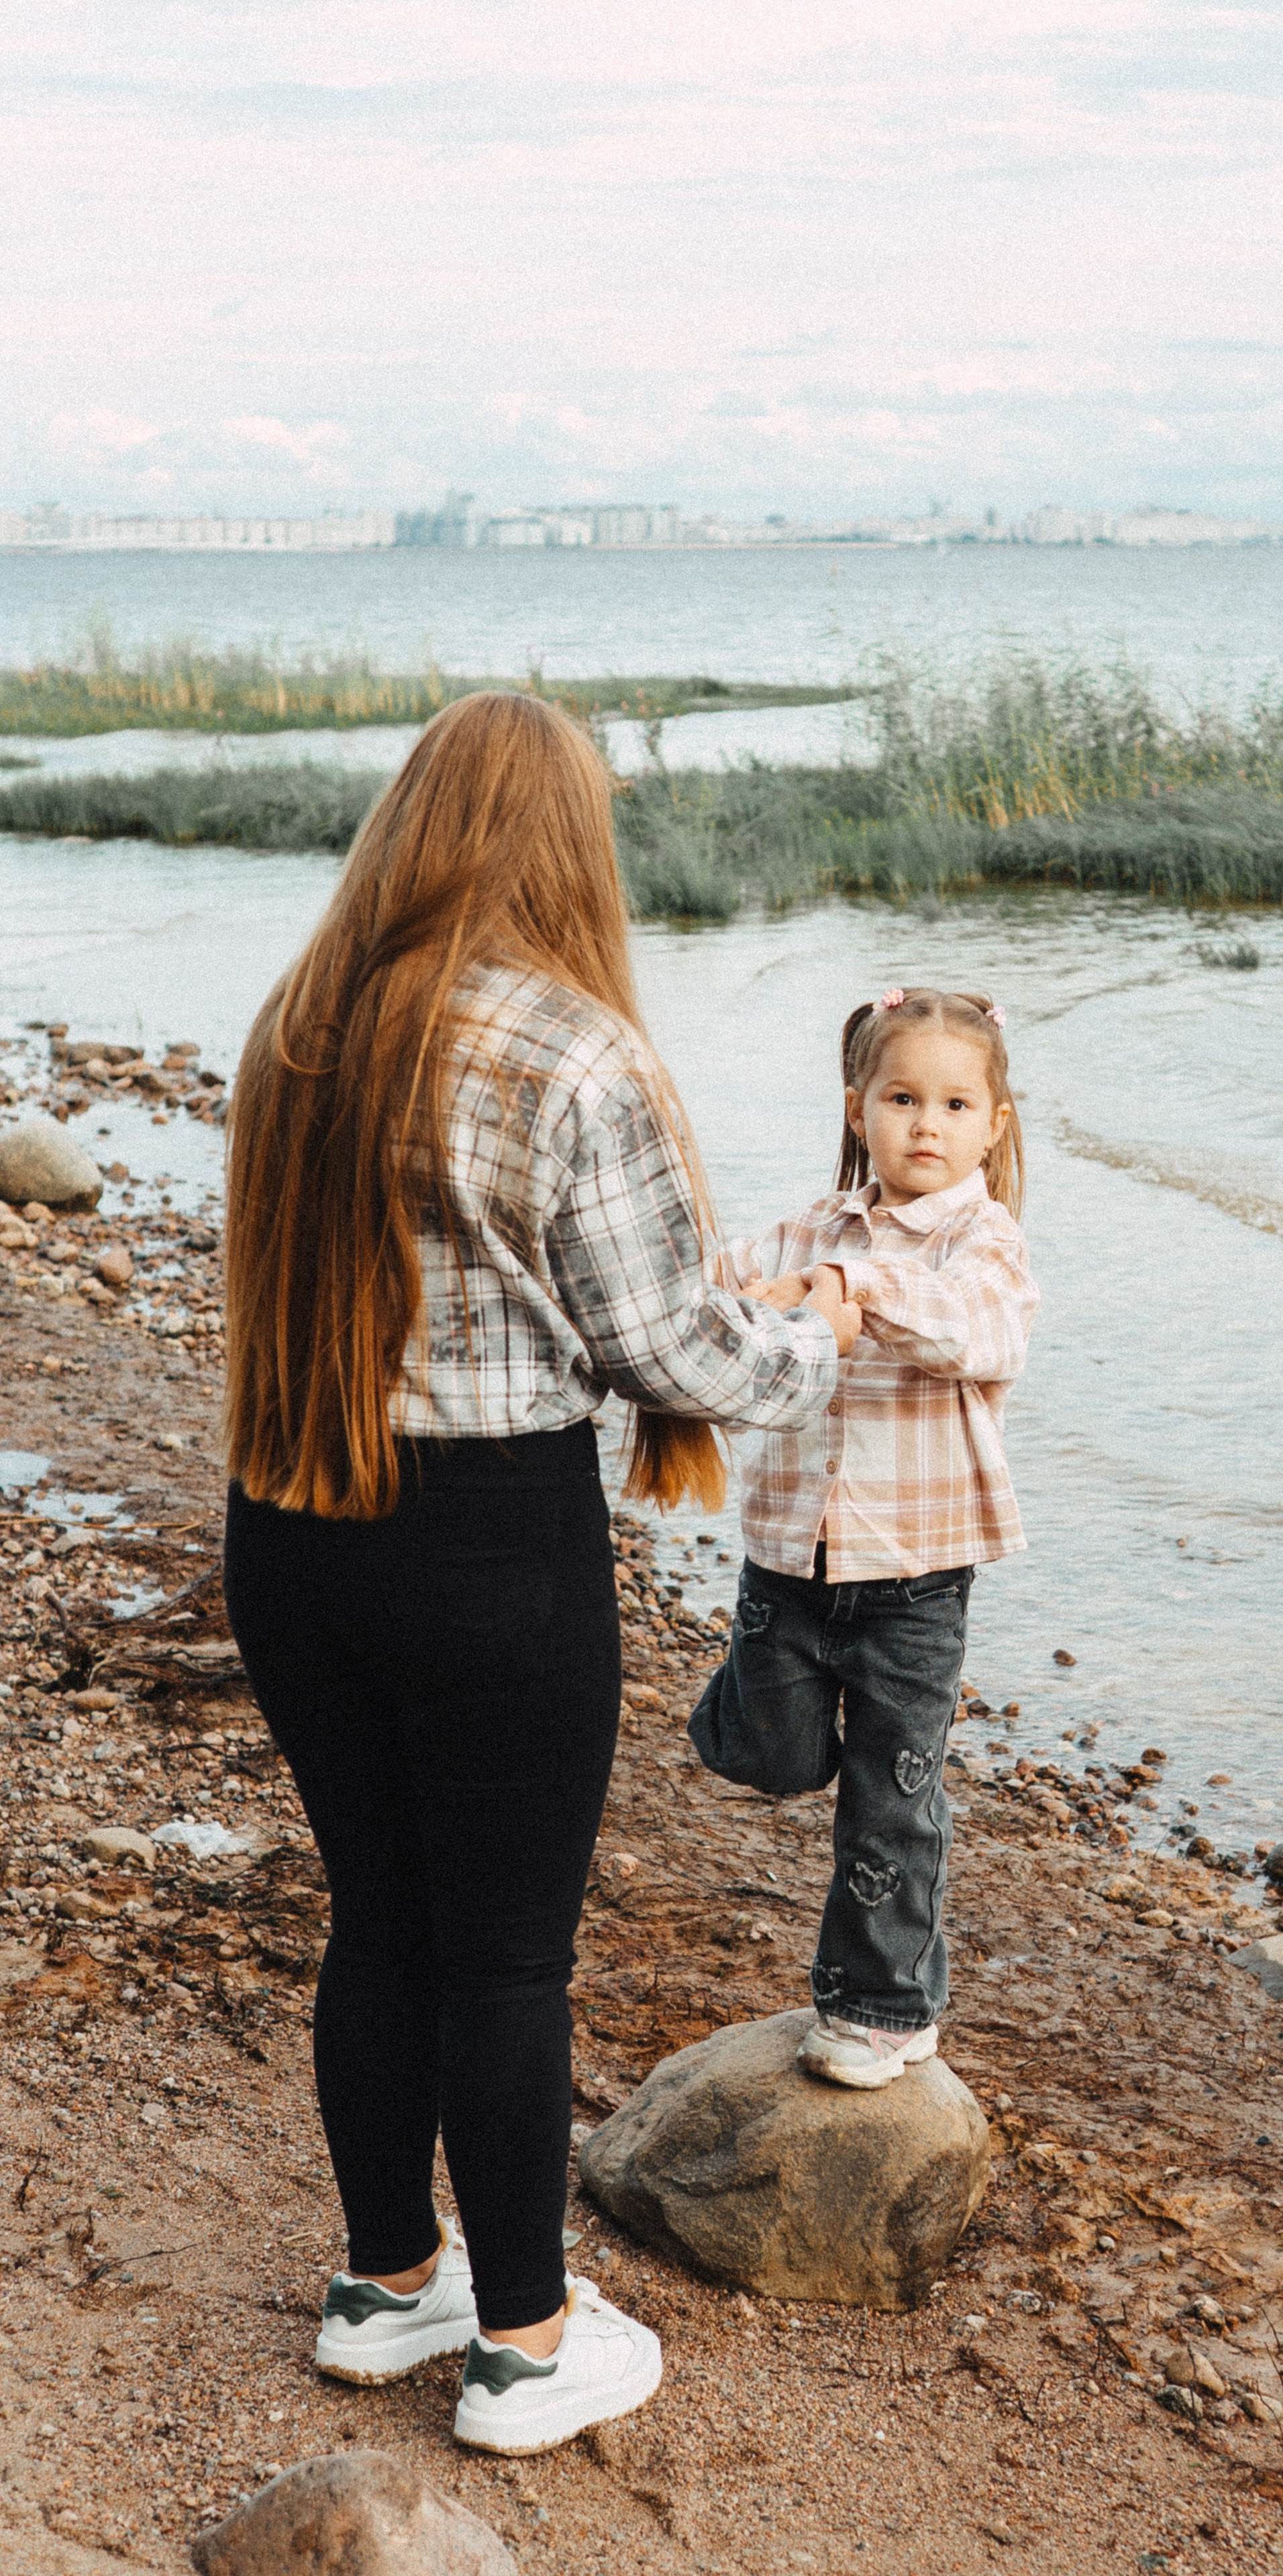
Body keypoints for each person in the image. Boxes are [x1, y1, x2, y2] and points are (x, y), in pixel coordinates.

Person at [221, 691, 858, 2455]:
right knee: (505, 1958)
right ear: (565, 841)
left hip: (290, 1524)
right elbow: (676, 1354)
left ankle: (383, 2285)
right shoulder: (570, 1050)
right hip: (488, 1547)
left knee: (384, 1917)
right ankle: (519, 2344)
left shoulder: (301, 1024)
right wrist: (819, 1332)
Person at [689, 985, 1038, 2085]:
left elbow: (979, 1335)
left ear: (995, 1123)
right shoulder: (807, 1226)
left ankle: (881, 2009)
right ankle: (736, 1714)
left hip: (918, 1576)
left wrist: (853, 1289)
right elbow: (717, 1285)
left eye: (953, 1103)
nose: (926, 1124)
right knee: (778, 1757)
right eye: (901, 1098)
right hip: (789, 1559)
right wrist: (746, 1293)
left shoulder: (986, 1245)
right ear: (858, 1111)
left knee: (892, 1800)